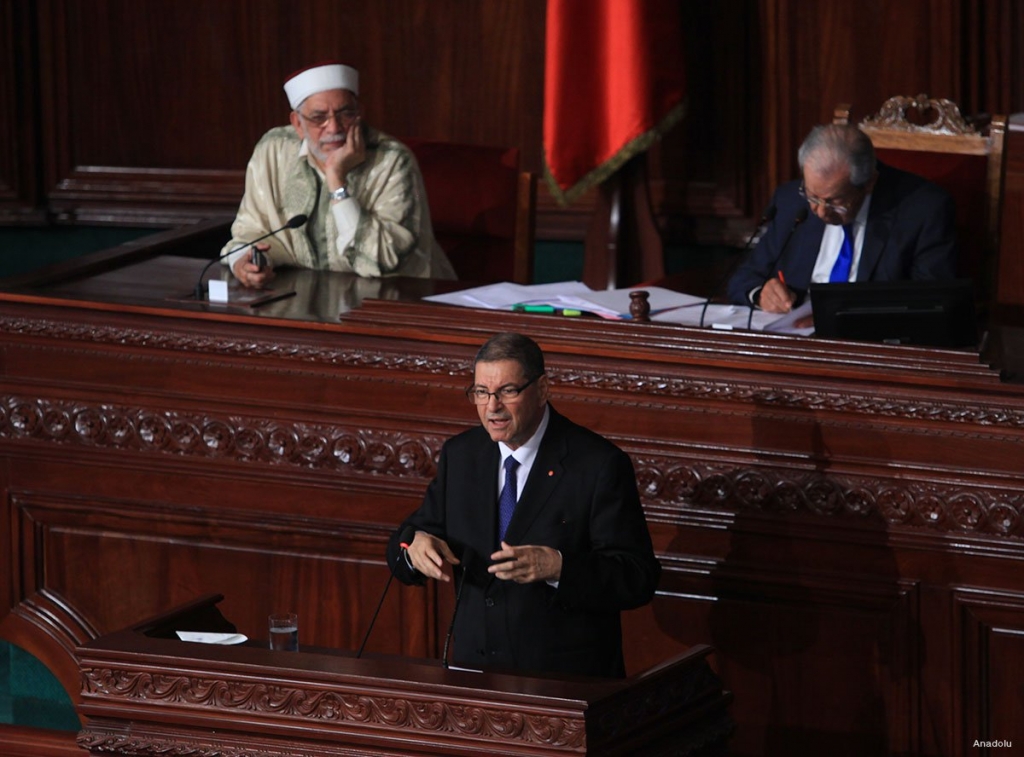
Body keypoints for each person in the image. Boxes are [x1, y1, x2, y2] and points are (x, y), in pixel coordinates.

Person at [386, 332, 660, 678]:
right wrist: (414, 549)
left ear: (543, 389)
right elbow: (405, 542)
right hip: (474, 676)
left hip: (563, 685)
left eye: (507, 391)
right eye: (481, 393)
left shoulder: (597, 464)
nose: (492, 407)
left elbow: (637, 577)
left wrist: (560, 568)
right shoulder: (462, 456)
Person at [222, 62, 455, 288]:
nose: (334, 128)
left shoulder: (392, 160)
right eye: (318, 118)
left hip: (402, 298)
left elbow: (382, 262)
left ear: (359, 113)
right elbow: (250, 231)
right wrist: (243, 261)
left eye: (345, 114)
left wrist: (337, 181)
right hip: (306, 297)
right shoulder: (273, 151)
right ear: (298, 124)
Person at [726, 123, 958, 313]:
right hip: (796, 339)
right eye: (812, 196)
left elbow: (931, 302)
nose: (820, 212)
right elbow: (744, 277)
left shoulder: (923, 211)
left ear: (869, 183)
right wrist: (760, 294)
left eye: (834, 202)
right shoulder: (790, 201)